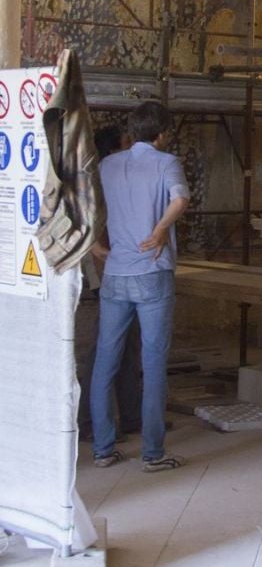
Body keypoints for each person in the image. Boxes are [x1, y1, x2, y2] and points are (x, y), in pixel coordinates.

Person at [90, 101, 190, 472]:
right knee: (153, 362)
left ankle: (102, 450)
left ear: (132, 132)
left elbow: (89, 208)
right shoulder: (166, 162)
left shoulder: (108, 164)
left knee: (105, 362)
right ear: (163, 134)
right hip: (152, 273)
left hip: (115, 275)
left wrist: (96, 246)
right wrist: (161, 228)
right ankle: (152, 454)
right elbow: (180, 199)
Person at [77, 121, 141, 440]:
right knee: (105, 351)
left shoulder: (111, 176)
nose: (132, 148)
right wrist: (103, 253)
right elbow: (91, 227)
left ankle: (131, 417)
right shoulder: (103, 178)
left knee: (129, 348)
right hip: (111, 274)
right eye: (128, 142)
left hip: (119, 269)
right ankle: (89, 422)